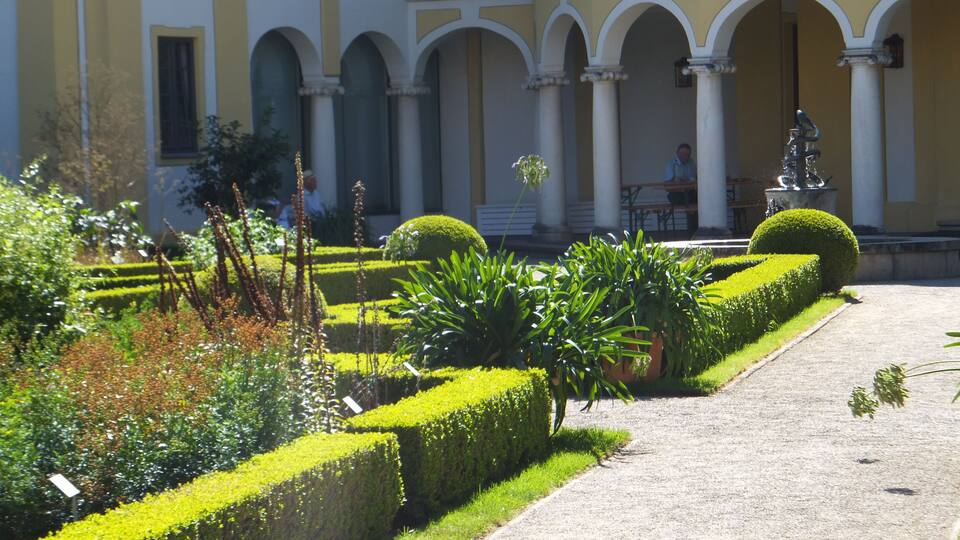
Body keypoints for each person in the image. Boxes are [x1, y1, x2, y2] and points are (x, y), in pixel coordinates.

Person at [663, 143, 698, 231]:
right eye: (682, 154)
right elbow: (668, 185)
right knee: (691, 205)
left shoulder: (691, 162)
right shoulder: (671, 164)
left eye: (687, 154)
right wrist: (682, 183)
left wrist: (687, 181)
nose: (684, 156)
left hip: (690, 193)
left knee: (701, 202)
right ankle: (692, 232)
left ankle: (696, 231)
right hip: (676, 195)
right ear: (677, 153)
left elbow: (695, 179)